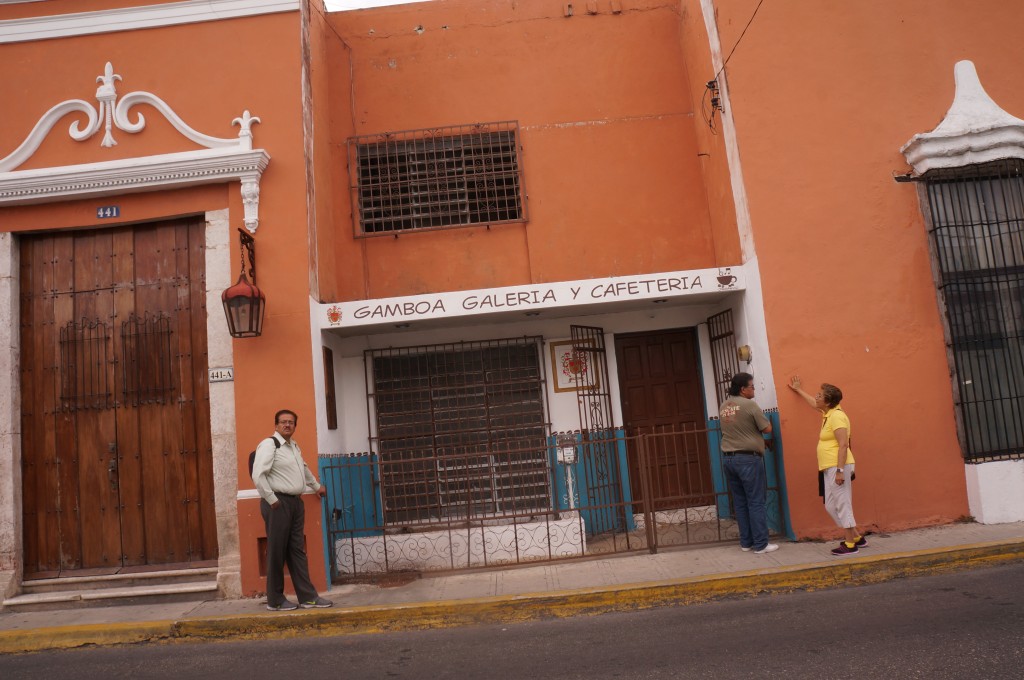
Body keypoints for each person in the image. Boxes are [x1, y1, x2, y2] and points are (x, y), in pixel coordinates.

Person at [252, 409, 334, 610]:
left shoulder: (293, 446)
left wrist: (316, 487)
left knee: (296, 551)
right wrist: (271, 499)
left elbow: (303, 468)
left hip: (295, 503)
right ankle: (276, 600)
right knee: (276, 552)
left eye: (291, 422)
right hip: (278, 503)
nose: (287, 425)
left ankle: (308, 597)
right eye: (283, 422)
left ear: (295, 426)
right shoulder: (270, 444)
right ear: (276, 425)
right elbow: (258, 474)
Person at [788, 376, 867, 556]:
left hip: (838, 466)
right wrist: (798, 390)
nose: (816, 397)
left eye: (820, 395)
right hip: (829, 467)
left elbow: (843, 444)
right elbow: (812, 403)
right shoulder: (828, 414)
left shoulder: (837, 417)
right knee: (831, 505)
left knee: (843, 503)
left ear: (828, 401)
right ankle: (856, 537)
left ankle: (849, 545)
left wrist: (839, 471)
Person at [720, 373, 778, 554]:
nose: (754, 389)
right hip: (748, 460)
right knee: (756, 501)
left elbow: (740, 430)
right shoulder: (749, 404)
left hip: (729, 458)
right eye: (752, 387)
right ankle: (761, 544)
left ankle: (746, 542)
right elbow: (767, 428)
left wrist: (759, 441)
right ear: (743, 389)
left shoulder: (724, 405)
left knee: (740, 502)